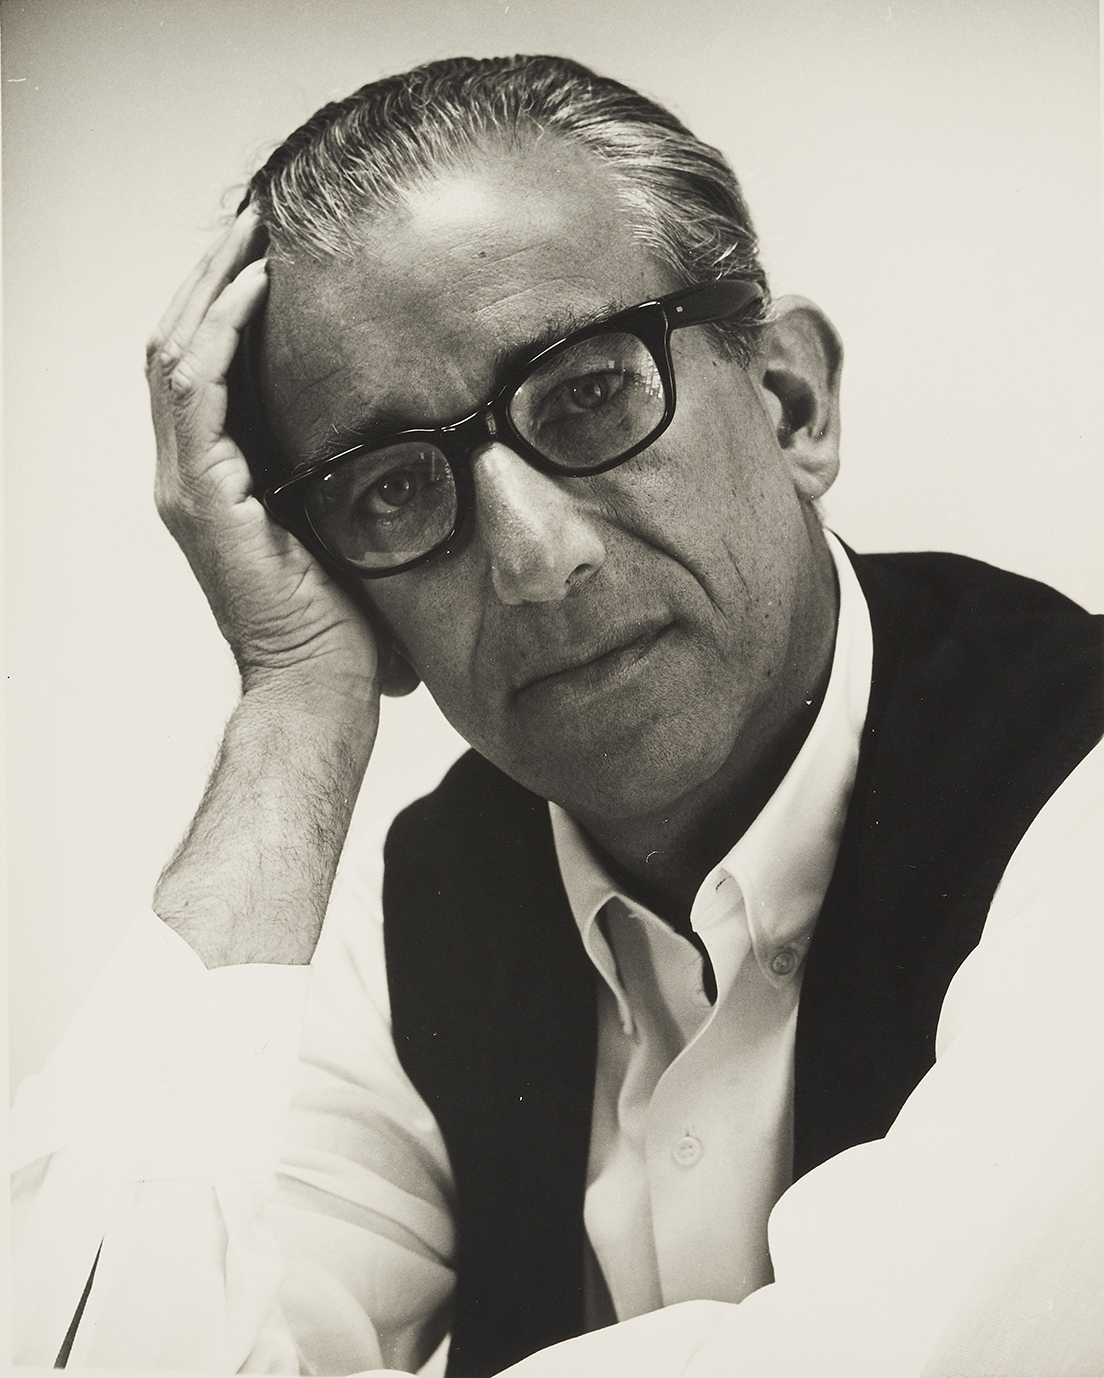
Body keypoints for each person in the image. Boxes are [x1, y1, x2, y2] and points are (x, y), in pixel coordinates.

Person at [11, 53, 1102, 1378]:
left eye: (589, 392)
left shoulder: (1078, 783)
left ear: (790, 402)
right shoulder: (408, 924)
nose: (534, 558)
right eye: (393, 488)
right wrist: (295, 694)